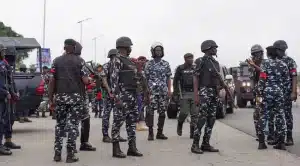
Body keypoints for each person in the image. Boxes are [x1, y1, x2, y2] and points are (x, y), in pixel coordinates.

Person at [49, 39, 87, 163]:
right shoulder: (80, 61)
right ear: (74, 47)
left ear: (65, 47)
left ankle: (57, 154)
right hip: (75, 98)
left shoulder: (56, 61)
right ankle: (70, 155)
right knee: (73, 126)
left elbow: (52, 81)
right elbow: (85, 80)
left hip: (60, 98)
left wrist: (50, 99)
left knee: (60, 125)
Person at [109, 36, 143, 158]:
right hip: (123, 95)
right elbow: (114, 80)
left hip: (133, 95)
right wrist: (117, 98)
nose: (130, 49)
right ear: (124, 46)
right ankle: (116, 148)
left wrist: (139, 70)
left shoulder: (130, 61)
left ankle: (132, 147)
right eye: (129, 47)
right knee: (118, 122)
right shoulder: (116, 60)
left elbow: (137, 79)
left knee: (131, 123)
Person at [256, 45, 289, 150]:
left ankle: (261, 143)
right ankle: (281, 143)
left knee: (263, 115)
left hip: (267, 92)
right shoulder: (283, 64)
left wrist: (259, 92)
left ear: (268, 53)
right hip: (279, 93)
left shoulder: (265, 64)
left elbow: (262, 78)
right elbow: (287, 82)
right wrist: (282, 92)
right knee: (280, 116)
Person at [191, 40, 220, 154]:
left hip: (213, 93)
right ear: (208, 48)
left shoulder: (215, 63)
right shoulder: (200, 61)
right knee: (202, 118)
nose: (216, 49)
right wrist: (196, 95)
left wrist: (219, 89)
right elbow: (195, 77)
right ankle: (195, 144)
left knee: (211, 119)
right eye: (214, 47)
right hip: (204, 91)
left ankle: (205, 143)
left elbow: (217, 79)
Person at [144, 42, 172, 141]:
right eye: (157, 50)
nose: (159, 52)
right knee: (150, 112)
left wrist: (169, 90)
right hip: (152, 92)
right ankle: (150, 132)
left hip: (163, 92)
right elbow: (145, 78)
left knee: (162, 112)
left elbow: (168, 78)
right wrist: (146, 91)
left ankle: (160, 133)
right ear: (153, 52)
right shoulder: (148, 64)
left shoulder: (166, 64)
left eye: (160, 50)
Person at [273, 40, 297, 146]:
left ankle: (289, 137)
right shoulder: (272, 61)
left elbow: (294, 77)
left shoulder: (290, 61)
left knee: (287, 115)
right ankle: (279, 138)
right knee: (277, 116)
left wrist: (293, 92)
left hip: (286, 93)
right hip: (275, 93)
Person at [73, 41, 96, 152]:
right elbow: (85, 80)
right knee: (85, 118)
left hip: (63, 96)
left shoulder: (58, 60)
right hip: (79, 95)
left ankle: (69, 146)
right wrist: (90, 82)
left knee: (69, 120)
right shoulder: (80, 61)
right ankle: (84, 143)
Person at [173, 53, 197, 139]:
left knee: (194, 114)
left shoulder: (195, 68)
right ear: (185, 59)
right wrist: (175, 94)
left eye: (192, 58)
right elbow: (175, 81)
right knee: (184, 112)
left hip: (194, 93)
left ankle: (192, 132)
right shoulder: (180, 68)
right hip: (184, 93)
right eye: (189, 58)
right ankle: (180, 124)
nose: (191, 59)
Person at [2, 46, 21, 150]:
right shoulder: (3, 65)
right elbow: (6, 83)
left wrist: (15, 91)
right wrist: (12, 93)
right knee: (4, 120)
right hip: (5, 96)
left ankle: (8, 141)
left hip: (10, 96)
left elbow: (12, 81)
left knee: (10, 119)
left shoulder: (9, 66)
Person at [246, 44, 264, 142]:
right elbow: (252, 79)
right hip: (259, 95)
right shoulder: (252, 66)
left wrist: (254, 65)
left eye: (257, 54)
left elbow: (265, 73)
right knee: (257, 114)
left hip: (270, 94)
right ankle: (259, 134)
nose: (255, 56)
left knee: (271, 115)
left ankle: (273, 136)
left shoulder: (267, 63)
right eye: (254, 54)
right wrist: (251, 67)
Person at [0, 44, 13, 155]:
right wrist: (6, 92)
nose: (4, 54)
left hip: (2, 96)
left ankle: (3, 143)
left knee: (3, 120)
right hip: (1, 95)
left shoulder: (3, 64)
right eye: (2, 51)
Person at [136, 56, 149, 131]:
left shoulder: (147, 69)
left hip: (143, 91)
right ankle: (138, 123)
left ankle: (141, 123)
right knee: (139, 108)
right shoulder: (137, 70)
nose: (142, 62)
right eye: (140, 60)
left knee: (142, 108)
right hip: (137, 92)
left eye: (143, 60)